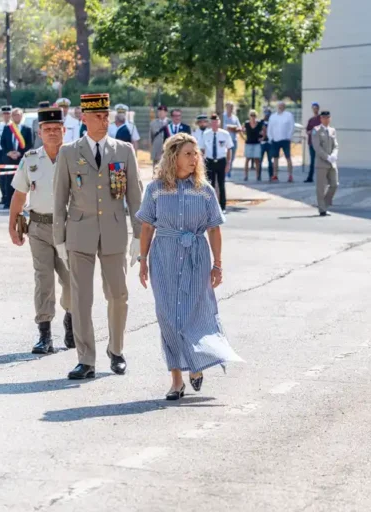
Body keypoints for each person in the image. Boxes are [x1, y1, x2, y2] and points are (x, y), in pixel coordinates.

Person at [135, 133, 241, 400]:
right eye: (188, 154)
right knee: (168, 319)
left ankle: (196, 364)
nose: (195, 159)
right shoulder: (155, 189)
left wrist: (218, 265)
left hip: (196, 258)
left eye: (196, 154)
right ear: (174, 157)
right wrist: (142, 261)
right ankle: (176, 380)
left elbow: (214, 229)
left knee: (194, 314)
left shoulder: (205, 190)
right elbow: (146, 227)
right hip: (164, 259)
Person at [53, 93, 143, 380]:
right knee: (81, 299)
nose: (105, 121)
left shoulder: (123, 151)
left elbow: (135, 196)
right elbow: (59, 199)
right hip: (80, 233)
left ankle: (116, 350)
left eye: (106, 116)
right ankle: (86, 359)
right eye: (99, 116)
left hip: (114, 232)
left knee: (118, 294)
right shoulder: (69, 152)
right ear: (84, 118)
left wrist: (139, 236)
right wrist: (58, 238)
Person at [8, 106, 74, 355]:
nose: (52, 132)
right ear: (39, 132)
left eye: (57, 128)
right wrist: (12, 225)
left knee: (72, 280)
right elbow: (19, 193)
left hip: (69, 228)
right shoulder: (31, 159)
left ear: (64, 130)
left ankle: (71, 322)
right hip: (39, 227)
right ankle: (44, 334)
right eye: (47, 129)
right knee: (43, 280)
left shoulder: (75, 158)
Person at [0, 108, 33, 210]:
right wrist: (9, 152)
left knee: (22, 181)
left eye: (18, 115)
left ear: (22, 116)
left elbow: (30, 144)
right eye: (14, 115)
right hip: (9, 158)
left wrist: (20, 153)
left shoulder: (27, 129)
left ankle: (21, 203)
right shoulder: (7, 128)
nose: (16, 117)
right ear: (12, 117)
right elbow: (2, 142)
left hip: (21, 158)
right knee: (8, 180)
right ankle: (8, 202)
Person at [202, 114, 233, 212]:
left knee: (221, 184)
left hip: (221, 161)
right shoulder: (206, 134)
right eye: (213, 122)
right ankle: (210, 206)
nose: (214, 124)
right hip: (209, 161)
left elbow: (229, 149)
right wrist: (201, 162)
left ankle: (222, 206)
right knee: (209, 185)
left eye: (216, 122)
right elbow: (202, 149)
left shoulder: (225, 134)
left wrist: (228, 163)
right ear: (210, 123)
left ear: (219, 122)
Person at [311, 110, 338, 216]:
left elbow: (335, 145)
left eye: (328, 118)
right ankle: (322, 209)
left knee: (334, 184)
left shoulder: (332, 130)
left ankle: (325, 204)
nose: (326, 120)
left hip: (332, 163)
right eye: (324, 118)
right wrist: (327, 157)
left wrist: (334, 154)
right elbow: (317, 147)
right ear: (321, 119)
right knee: (321, 187)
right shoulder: (316, 130)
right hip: (321, 163)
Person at [267, 101, 295, 182]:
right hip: (275, 140)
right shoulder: (273, 116)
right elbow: (270, 128)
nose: (280, 107)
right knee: (275, 158)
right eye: (279, 106)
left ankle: (290, 175)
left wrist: (289, 137)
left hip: (285, 139)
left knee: (288, 157)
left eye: (282, 106)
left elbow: (292, 126)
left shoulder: (288, 115)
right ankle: (275, 175)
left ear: (284, 107)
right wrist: (270, 138)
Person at [241, 109, 263, 181]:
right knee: (247, 159)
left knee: (257, 160)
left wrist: (262, 138)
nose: (253, 117)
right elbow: (241, 130)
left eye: (254, 115)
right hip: (249, 143)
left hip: (256, 143)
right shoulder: (246, 123)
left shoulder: (259, 124)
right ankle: (246, 176)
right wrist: (243, 137)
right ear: (249, 116)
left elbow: (264, 130)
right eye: (251, 115)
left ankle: (258, 176)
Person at [223, 101, 242, 177]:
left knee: (232, 156)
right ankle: (224, 171)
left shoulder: (235, 118)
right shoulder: (223, 116)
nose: (230, 109)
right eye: (229, 107)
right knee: (224, 156)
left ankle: (229, 171)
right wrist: (234, 127)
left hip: (233, 140)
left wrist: (232, 128)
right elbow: (225, 127)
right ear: (226, 107)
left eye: (231, 107)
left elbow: (239, 128)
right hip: (224, 141)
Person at [305, 102, 322, 183]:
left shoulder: (321, 119)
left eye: (316, 108)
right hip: (311, 142)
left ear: (318, 109)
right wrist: (310, 132)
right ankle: (310, 177)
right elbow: (307, 130)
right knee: (312, 161)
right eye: (313, 108)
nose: (315, 109)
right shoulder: (311, 120)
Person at [260, 108, 274, 179]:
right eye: (266, 113)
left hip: (270, 143)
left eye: (268, 113)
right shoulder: (261, 122)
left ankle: (271, 175)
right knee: (260, 160)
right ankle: (258, 176)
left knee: (270, 160)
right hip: (262, 143)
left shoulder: (272, 122)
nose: (267, 114)